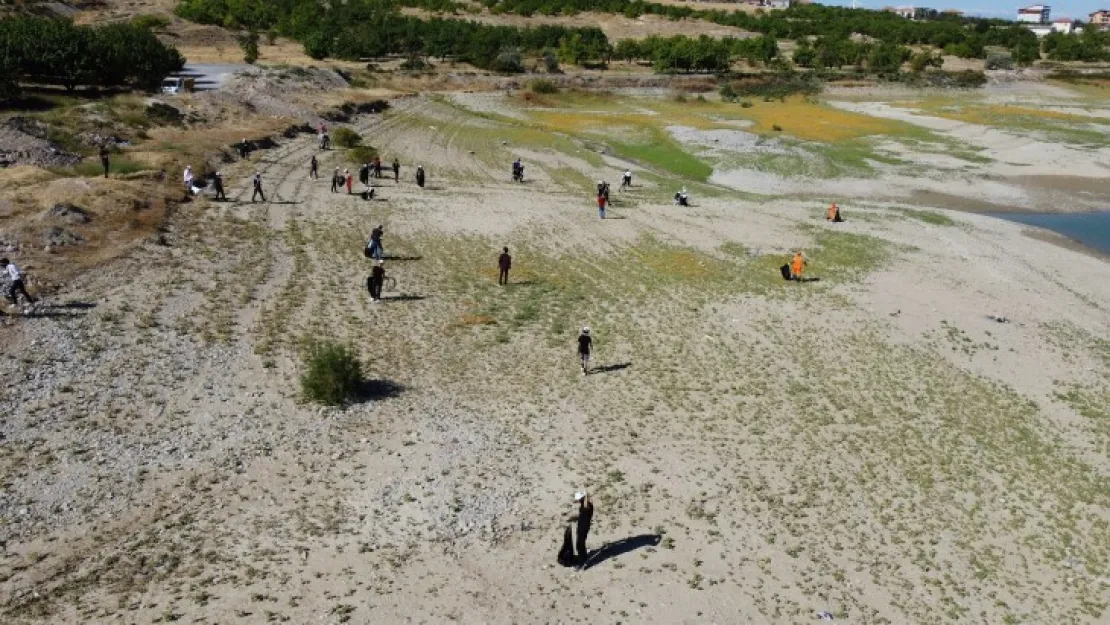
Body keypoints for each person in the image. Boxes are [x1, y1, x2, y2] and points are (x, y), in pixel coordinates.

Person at [574, 491, 594, 569]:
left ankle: (582, 563)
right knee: (581, 544)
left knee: (579, 545)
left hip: (583, 527)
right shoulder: (586, 505)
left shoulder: (587, 505)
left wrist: (585, 496)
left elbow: (585, 507)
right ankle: (584, 557)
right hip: (582, 526)